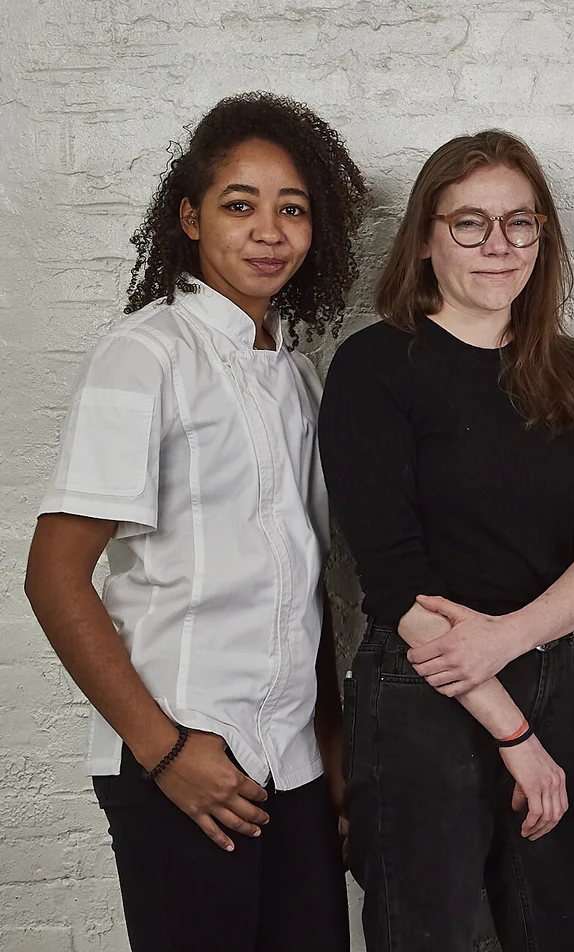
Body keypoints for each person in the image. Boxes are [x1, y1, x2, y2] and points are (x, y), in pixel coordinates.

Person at [24, 92, 366, 951]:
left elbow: (305, 584)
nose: (269, 232)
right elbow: (53, 575)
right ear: (189, 217)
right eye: (239, 205)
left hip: (290, 759)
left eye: (292, 209)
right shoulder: (144, 357)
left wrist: (330, 746)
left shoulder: (300, 378)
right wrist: (166, 753)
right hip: (180, 752)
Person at [318, 129, 574, 952]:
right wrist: (512, 733)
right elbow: (393, 577)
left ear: (542, 236)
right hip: (422, 690)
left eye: (519, 222)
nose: (499, 245)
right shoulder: (374, 367)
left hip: (550, 678)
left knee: (564, 931)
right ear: (425, 239)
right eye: (470, 223)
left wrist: (512, 639)